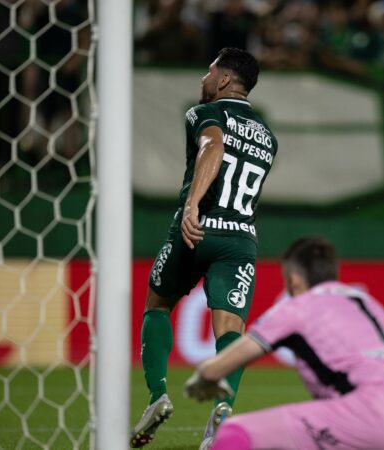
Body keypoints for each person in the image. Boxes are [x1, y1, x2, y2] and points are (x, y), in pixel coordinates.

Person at [130, 47, 278, 449]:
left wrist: (193, 205)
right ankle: (224, 408)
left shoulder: (205, 114)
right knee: (231, 330)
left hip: (195, 229)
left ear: (225, 79)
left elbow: (213, 147)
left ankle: (157, 393)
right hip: (240, 239)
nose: (203, 78)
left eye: (209, 71)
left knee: (157, 304)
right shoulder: (268, 137)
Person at [184, 236, 384, 450]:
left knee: (235, 432)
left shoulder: (296, 308)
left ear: (293, 279)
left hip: (373, 416)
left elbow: (220, 365)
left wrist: (205, 375)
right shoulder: (367, 302)